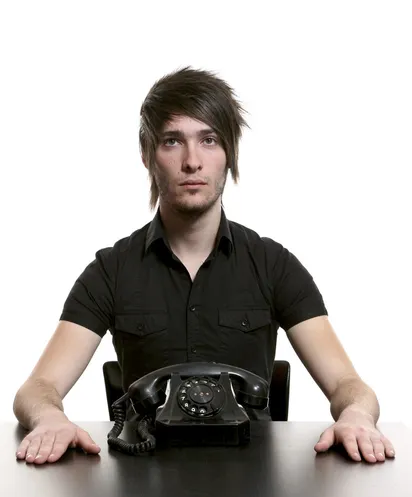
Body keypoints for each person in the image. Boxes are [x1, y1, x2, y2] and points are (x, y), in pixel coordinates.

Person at [13, 66, 396, 465]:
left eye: (209, 140)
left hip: (254, 487)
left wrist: (356, 414)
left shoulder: (275, 265)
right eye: (173, 141)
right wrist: (49, 416)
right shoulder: (110, 271)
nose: (192, 161)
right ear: (147, 155)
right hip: (142, 487)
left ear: (229, 154)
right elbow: (37, 388)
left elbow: (349, 385)